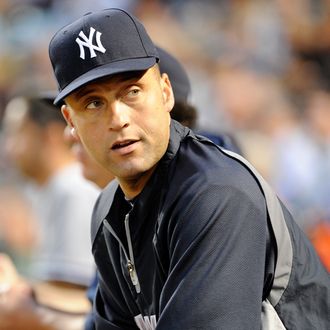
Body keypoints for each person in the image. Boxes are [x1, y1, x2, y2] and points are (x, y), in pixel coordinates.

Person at [48, 8, 329, 330]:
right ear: (72, 122)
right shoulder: (108, 210)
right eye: (94, 103)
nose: (118, 119)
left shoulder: (215, 192)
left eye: (132, 92)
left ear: (165, 93)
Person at [0, 94, 100, 329]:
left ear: (51, 135)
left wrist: (13, 288)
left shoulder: (72, 187)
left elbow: (81, 299)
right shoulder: (50, 188)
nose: (9, 147)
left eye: (18, 132)